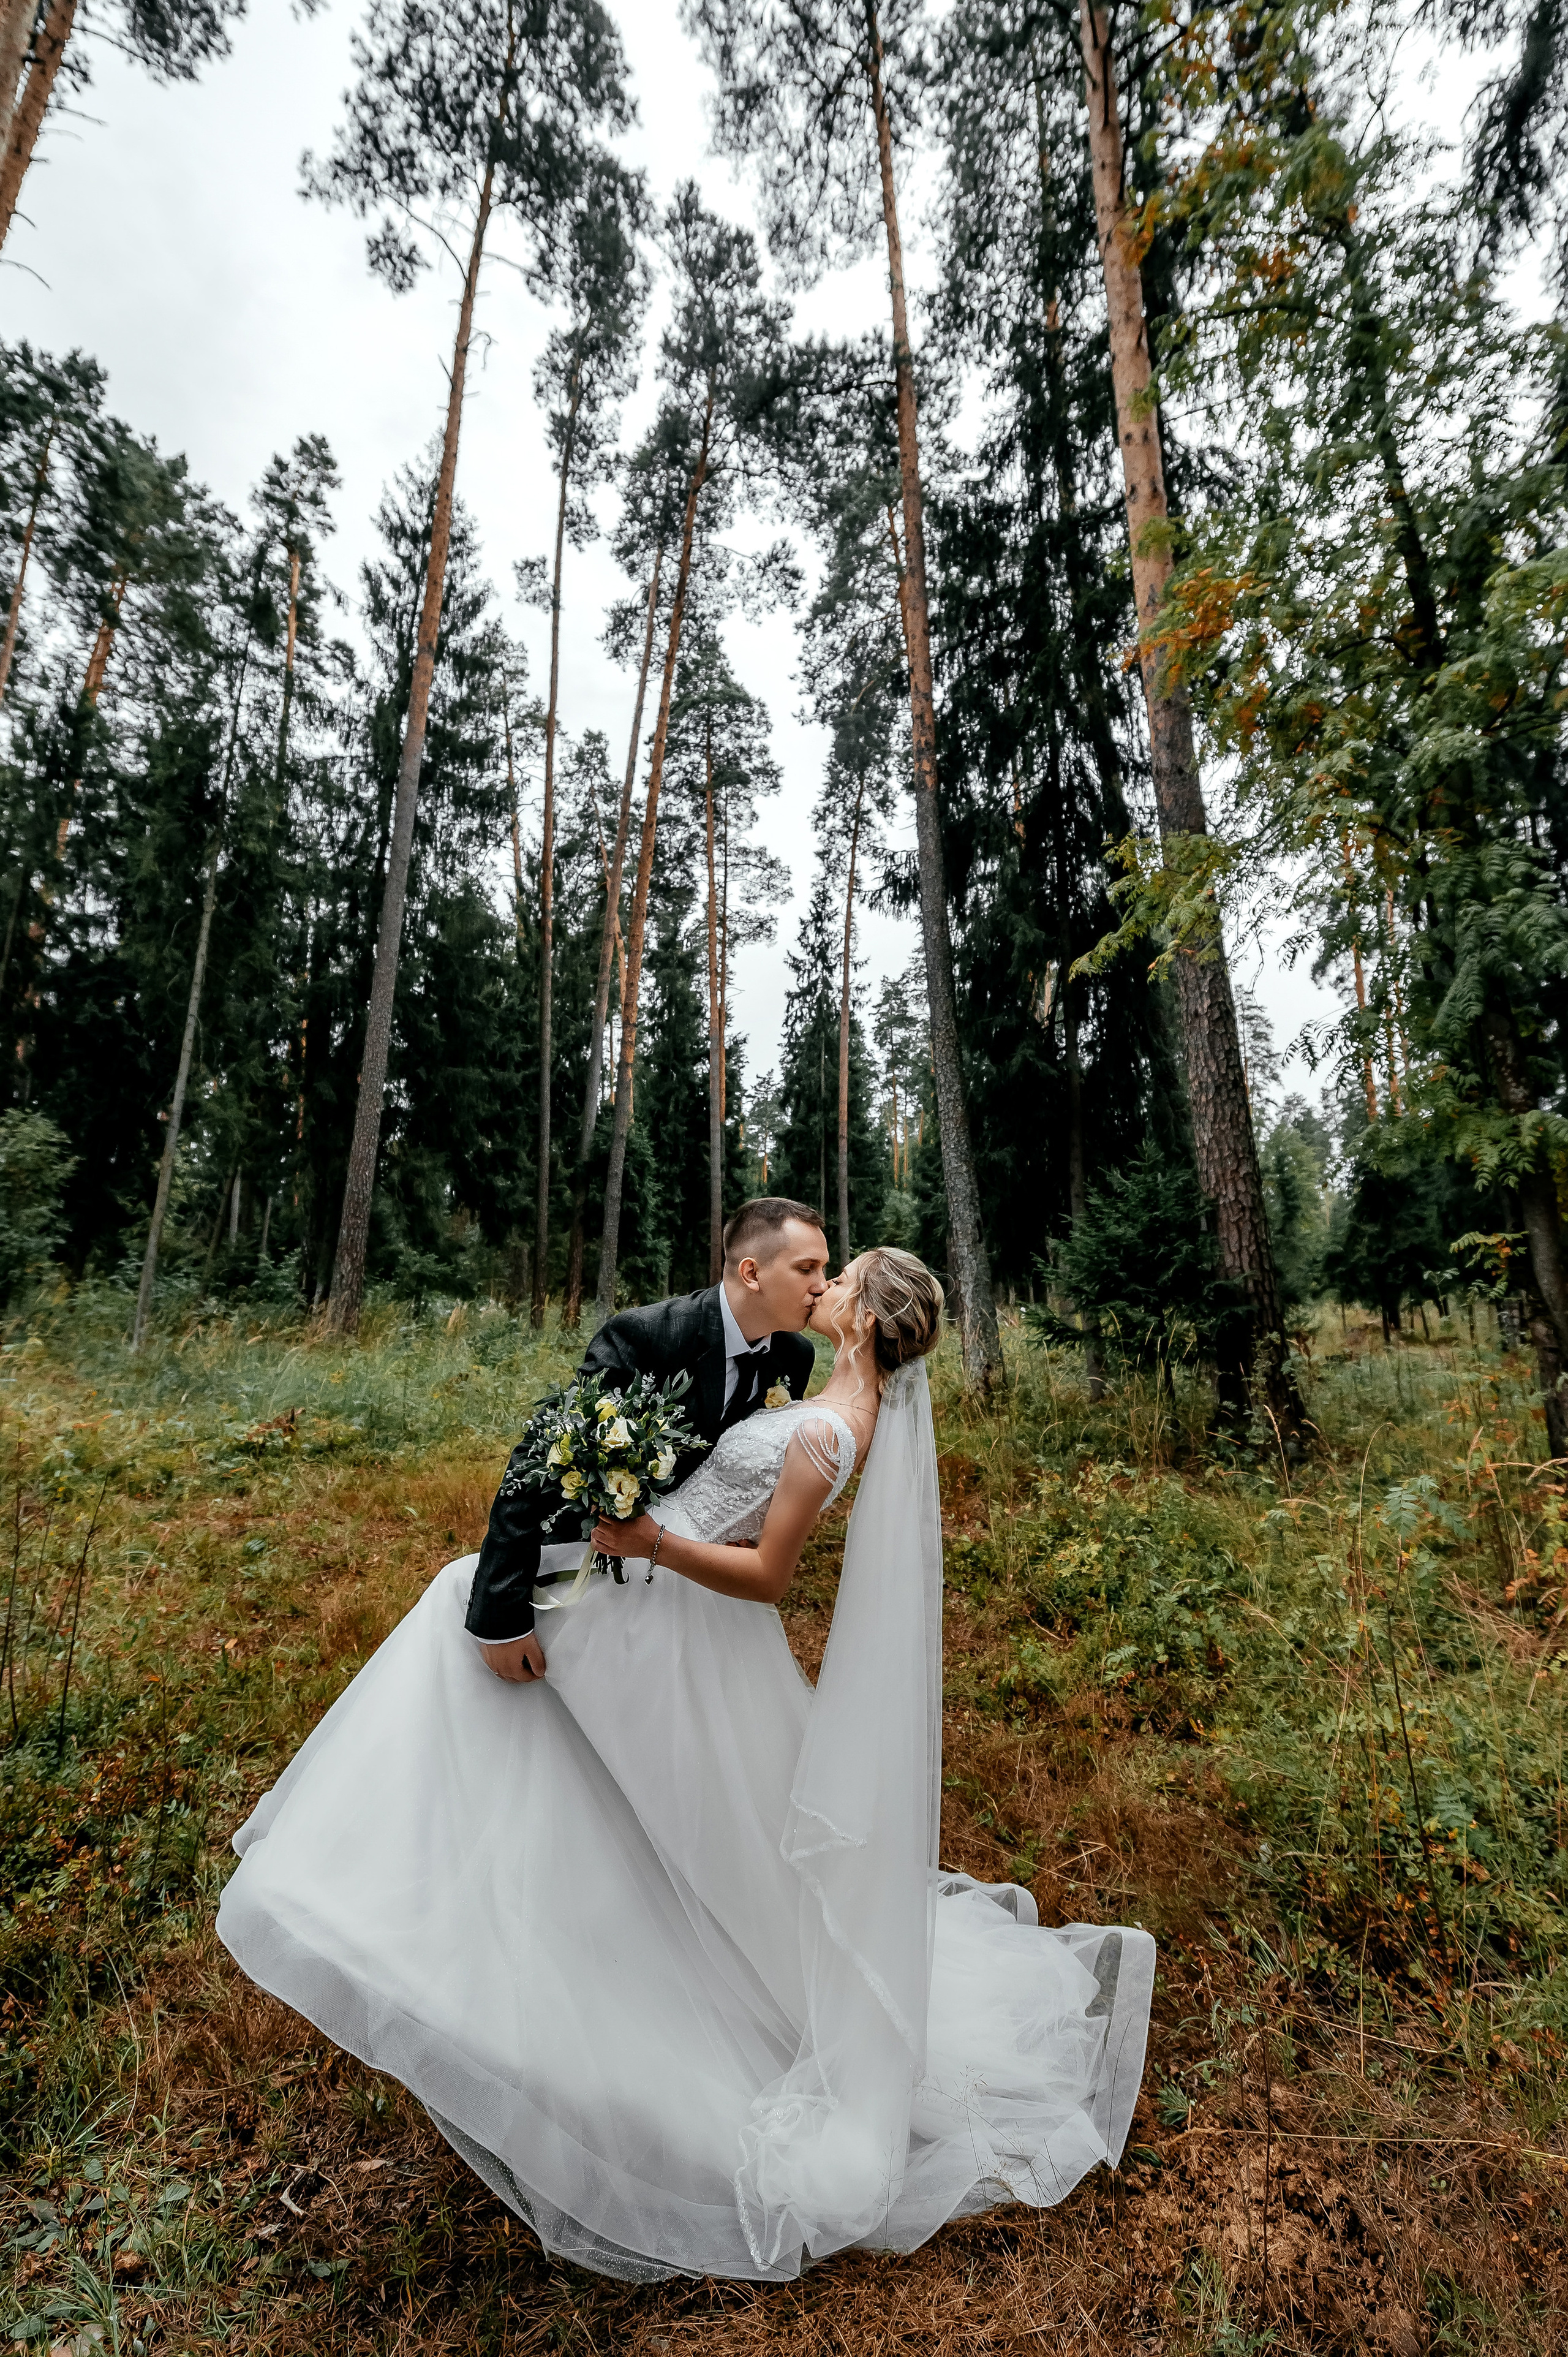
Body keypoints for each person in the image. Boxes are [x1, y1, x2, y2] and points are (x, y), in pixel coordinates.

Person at [216, 1239, 1154, 2284]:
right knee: (580, 1735)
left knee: (473, 1627)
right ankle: (442, 1897)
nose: (826, 1284)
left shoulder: (831, 1426)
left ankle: (371, 1897)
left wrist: (649, 1542)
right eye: (820, 1267)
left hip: (676, 1611)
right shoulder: (818, 1389)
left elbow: (769, 1574)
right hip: (654, 1604)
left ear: (864, 1316)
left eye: (842, 1279)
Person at [465, 1197, 830, 1680]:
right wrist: (501, 1617)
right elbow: (543, 1451)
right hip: (592, 1563)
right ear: (751, 1272)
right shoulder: (648, 1334)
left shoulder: (795, 1357)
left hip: (693, 1579)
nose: (822, 1285)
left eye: (825, 1269)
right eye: (807, 1268)